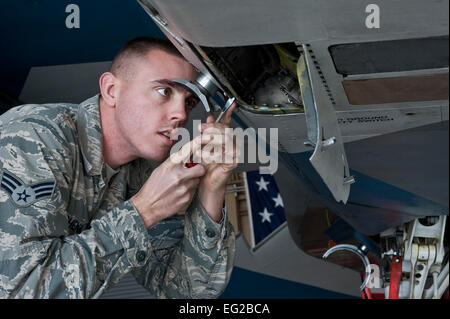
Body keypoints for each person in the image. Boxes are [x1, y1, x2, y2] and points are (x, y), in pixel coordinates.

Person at [0, 37, 237, 298]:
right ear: (111, 90)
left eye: (189, 102)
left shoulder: (139, 176)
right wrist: (143, 210)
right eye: (164, 91)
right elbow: (20, 288)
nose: (181, 114)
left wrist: (212, 188)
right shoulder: (35, 138)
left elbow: (189, 292)